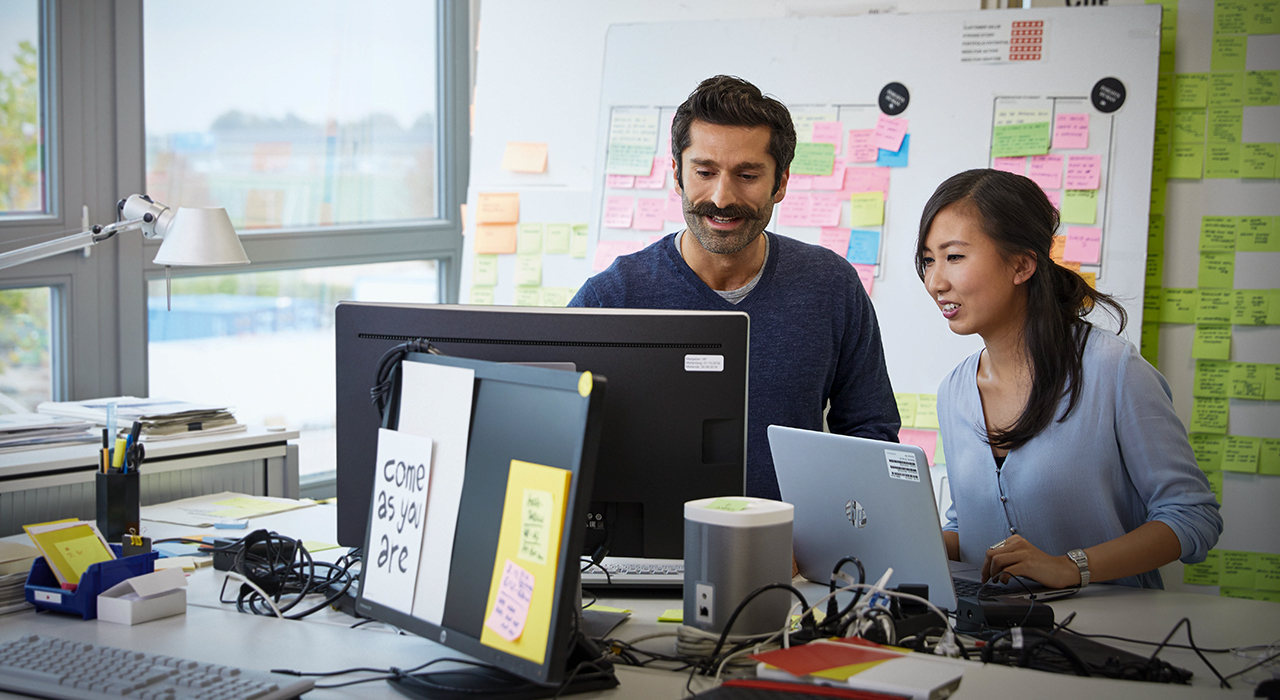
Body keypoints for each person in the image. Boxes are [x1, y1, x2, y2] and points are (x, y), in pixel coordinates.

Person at [571, 75, 900, 501]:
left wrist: (824, 534)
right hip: (640, 559)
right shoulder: (611, 298)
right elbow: (554, 435)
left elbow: (870, 434)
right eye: (705, 172)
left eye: (746, 175)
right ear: (678, 175)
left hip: (790, 558)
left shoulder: (831, 286)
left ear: (780, 183)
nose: (722, 198)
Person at [916, 168, 1221, 589]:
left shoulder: (1114, 371)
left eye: (954, 257)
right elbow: (966, 526)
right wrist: (902, 541)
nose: (935, 282)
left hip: (1110, 640)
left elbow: (1192, 516)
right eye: (929, 260)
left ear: (1022, 264)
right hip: (990, 637)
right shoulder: (955, 390)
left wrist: (1070, 566)